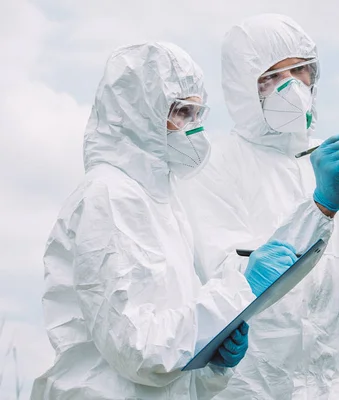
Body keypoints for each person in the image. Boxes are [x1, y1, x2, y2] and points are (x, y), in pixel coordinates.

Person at [30, 41, 297, 400]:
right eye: (182, 112)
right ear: (137, 112)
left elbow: (173, 364)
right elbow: (137, 349)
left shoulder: (164, 206)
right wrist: (239, 289)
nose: (194, 129)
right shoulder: (107, 197)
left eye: (198, 114)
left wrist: (215, 361)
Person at [175, 14, 339, 399]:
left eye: (299, 71)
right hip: (249, 389)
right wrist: (321, 207)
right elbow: (232, 288)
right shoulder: (211, 167)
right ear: (242, 86)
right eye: (272, 76)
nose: (292, 88)